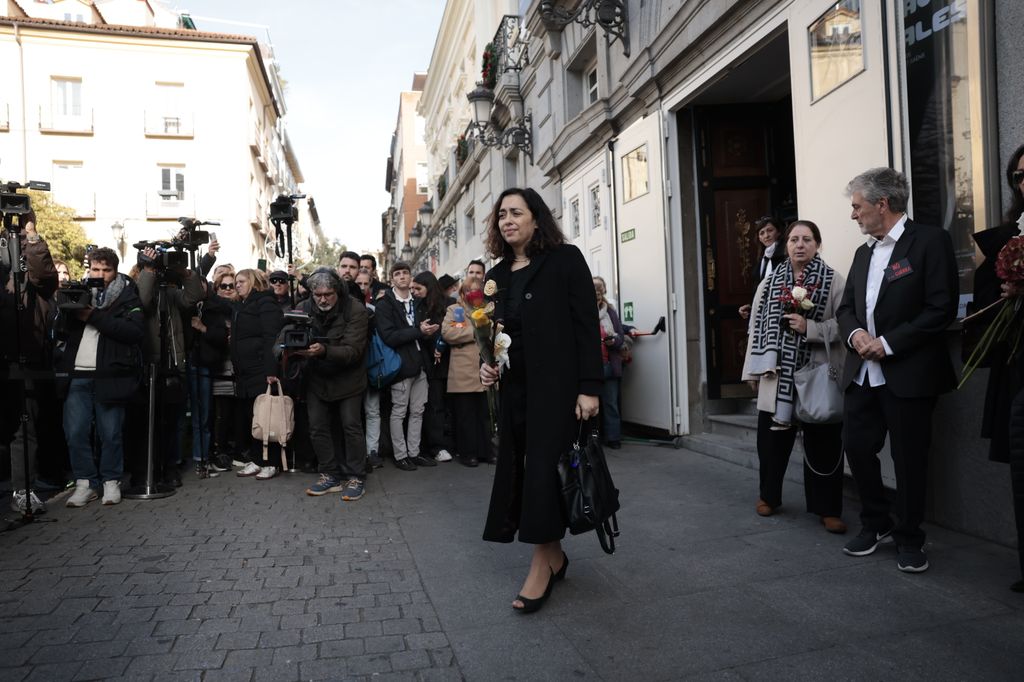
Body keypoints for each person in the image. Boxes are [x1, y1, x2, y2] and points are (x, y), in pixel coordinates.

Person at [479, 187, 602, 613]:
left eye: (516, 212)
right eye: (501, 215)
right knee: (525, 469)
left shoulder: (565, 260)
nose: (507, 220)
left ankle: (541, 564)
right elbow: (498, 337)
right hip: (515, 392)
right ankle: (553, 555)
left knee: (544, 471)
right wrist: (489, 365)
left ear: (537, 218)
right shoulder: (499, 274)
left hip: (559, 390)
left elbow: (587, 326)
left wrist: (589, 387)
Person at [836, 167, 958, 573]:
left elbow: (940, 309)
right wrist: (855, 335)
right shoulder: (862, 252)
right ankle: (876, 522)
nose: (854, 215)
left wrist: (886, 344)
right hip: (862, 374)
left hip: (908, 373)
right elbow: (846, 308)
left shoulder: (929, 241)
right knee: (856, 447)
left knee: (909, 461)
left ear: (881, 204)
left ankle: (910, 537)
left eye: (857, 207)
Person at [741, 220, 847, 533]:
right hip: (777, 374)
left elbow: (846, 324)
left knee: (824, 442)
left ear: (818, 244)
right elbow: (755, 329)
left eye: (807, 239)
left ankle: (827, 508)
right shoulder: (770, 282)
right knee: (771, 441)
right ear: (786, 245)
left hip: (816, 374)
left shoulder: (834, 280)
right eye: (794, 239)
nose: (799, 245)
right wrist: (752, 369)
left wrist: (810, 329)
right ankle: (768, 496)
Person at [973, 143, 1024, 592]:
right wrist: (1008, 288)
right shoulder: (1008, 236)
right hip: (1018, 365)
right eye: (1019, 176)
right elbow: (985, 294)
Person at [57, 247, 144, 507]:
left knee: (111, 433)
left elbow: (133, 332)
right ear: (89, 269)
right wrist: (70, 308)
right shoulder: (78, 293)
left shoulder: (128, 296)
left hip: (110, 373)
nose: (100, 275)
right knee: (75, 432)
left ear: (115, 271)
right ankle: (85, 482)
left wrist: (94, 316)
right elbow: (61, 329)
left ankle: (110, 480)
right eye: (96, 269)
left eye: (106, 270)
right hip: (78, 374)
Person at [280, 269, 369, 501]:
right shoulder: (303, 307)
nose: (322, 299)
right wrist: (287, 352)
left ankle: (356, 476)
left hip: (349, 377)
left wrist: (323, 350)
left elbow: (353, 351)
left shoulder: (355, 309)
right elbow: (281, 340)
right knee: (317, 427)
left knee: (351, 426)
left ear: (337, 291)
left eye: (328, 294)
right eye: (317, 294)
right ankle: (329, 474)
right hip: (317, 378)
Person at [0, 212, 59, 513]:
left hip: (26, 353)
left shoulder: (31, 252)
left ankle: (23, 490)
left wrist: (30, 236)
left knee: (25, 428)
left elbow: (45, 275)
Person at [135, 248, 204, 488]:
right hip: (151, 365)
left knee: (173, 421)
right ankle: (151, 468)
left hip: (175, 365)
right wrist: (149, 269)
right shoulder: (142, 285)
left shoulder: (172, 293)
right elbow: (142, 300)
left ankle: (171, 465)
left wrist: (184, 271)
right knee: (152, 421)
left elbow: (194, 297)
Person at [374, 261, 438, 471]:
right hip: (400, 365)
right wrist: (419, 331)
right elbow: (390, 336)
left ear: (410, 277)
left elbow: (423, 330)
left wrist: (430, 332)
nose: (402, 276)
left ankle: (415, 452)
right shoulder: (385, 305)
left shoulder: (419, 302)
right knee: (399, 411)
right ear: (392, 278)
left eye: (405, 273)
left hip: (422, 365)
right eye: (398, 273)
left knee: (418, 410)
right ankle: (400, 455)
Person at [231, 268, 285, 480]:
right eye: (236, 282)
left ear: (253, 282)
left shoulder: (265, 302)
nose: (237, 285)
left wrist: (271, 371)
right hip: (244, 372)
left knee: (267, 417)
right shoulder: (240, 305)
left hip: (261, 370)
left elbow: (272, 338)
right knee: (251, 418)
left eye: (241, 281)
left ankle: (271, 463)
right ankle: (256, 459)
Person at [442, 278, 493, 467]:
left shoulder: (489, 308)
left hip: (486, 368)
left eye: (478, 290)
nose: (474, 294)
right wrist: (476, 332)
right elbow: (448, 333)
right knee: (465, 416)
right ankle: (468, 453)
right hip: (463, 371)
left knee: (485, 415)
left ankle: (486, 451)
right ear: (463, 293)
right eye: (470, 291)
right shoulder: (454, 310)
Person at [411, 271, 454, 463]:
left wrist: (441, 341)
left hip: (449, 361)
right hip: (428, 362)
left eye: (417, 288)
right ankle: (436, 446)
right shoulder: (417, 305)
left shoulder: (449, 303)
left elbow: (455, 328)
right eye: (412, 289)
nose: (414, 292)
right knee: (434, 405)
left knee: (447, 405)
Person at [593, 276, 625, 449]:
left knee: (611, 403)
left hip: (609, 365)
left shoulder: (610, 312)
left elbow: (620, 336)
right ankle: (593, 439)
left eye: (599, 293)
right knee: (591, 404)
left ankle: (613, 438)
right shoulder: (582, 311)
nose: (597, 297)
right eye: (594, 293)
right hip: (590, 367)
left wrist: (614, 341)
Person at [740, 216, 786, 320]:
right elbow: (759, 287)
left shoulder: (785, 256)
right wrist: (751, 306)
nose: (766, 235)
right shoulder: (762, 259)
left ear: (778, 232)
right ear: (759, 238)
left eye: (770, 230)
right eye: (762, 233)